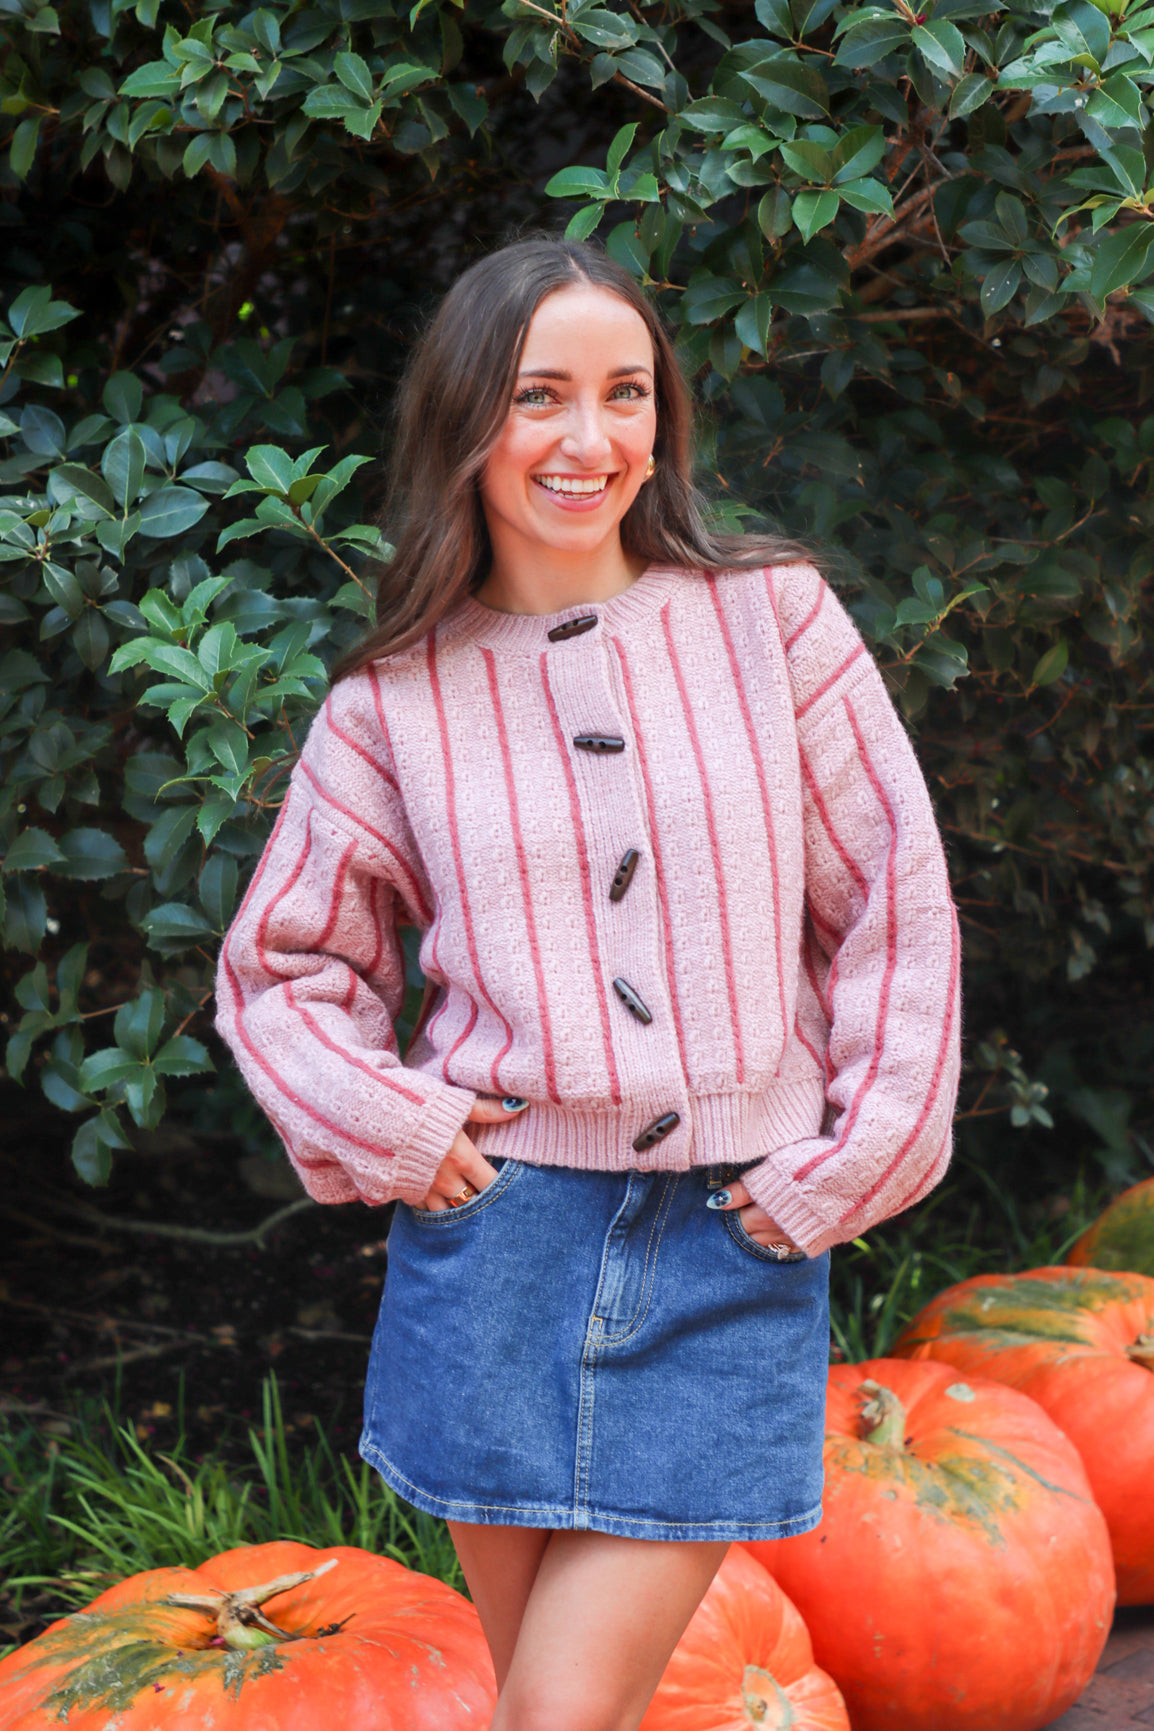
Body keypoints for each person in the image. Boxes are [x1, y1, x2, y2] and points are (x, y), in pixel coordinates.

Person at [215, 236, 961, 1730]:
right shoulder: (393, 701)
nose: (589, 439)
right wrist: (407, 1134)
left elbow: (893, 896)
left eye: (625, 394)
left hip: (732, 1238)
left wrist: (856, 1155)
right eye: (540, 396)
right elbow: (282, 970)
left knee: (555, 1715)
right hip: (498, 1243)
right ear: (467, 422)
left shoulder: (775, 624)